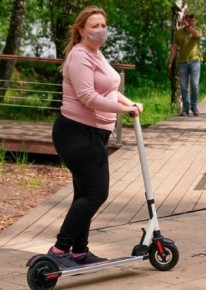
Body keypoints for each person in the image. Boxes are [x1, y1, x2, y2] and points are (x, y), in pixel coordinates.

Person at [47, 6, 143, 268]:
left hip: (93, 134)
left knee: (85, 194)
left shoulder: (95, 53)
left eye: (103, 25)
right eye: (94, 26)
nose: (101, 30)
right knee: (95, 193)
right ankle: (59, 251)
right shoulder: (79, 56)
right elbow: (88, 97)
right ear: (81, 30)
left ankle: (78, 251)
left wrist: (129, 101)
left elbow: (109, 89)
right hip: (76, 133)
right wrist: (125, 110)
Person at [168, 13, 202, 116]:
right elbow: (174, 47)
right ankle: (185, 108)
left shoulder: (196, 30)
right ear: (185, 20)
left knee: (195, 84)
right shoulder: (178, 33)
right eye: (189, 21)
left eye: (193, 21)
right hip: (182, 62)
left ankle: (194, 106)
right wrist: (171, 61)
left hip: (195, 61)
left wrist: (188, 26)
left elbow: (197, 35)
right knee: (183, 86)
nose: (192, 22)